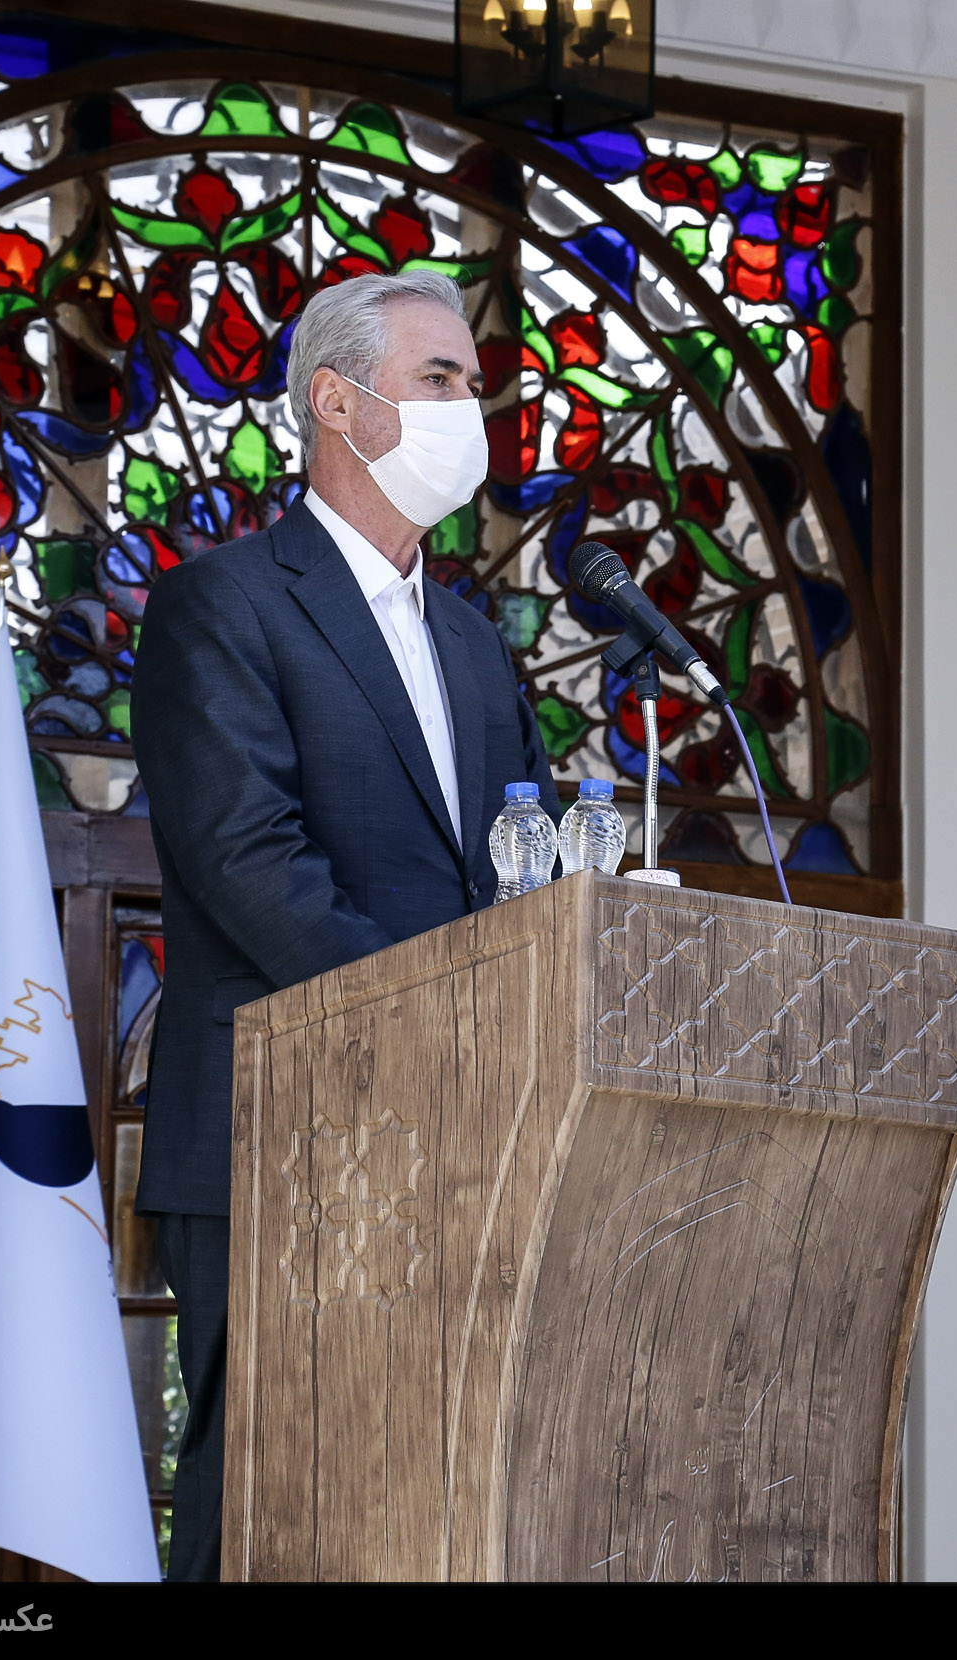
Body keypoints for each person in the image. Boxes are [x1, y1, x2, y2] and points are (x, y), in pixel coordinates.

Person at [130, 269, 560, 1582]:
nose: (471, 409)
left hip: (465, 1149)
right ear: (336, 402)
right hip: (282, 1134)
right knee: (267, 1505)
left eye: (474, 385)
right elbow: (248, 859)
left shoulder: (476, 646)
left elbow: (524, 871)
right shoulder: (224, 604)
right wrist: (444, 1022)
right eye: (440, 380)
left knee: (426, 1510)